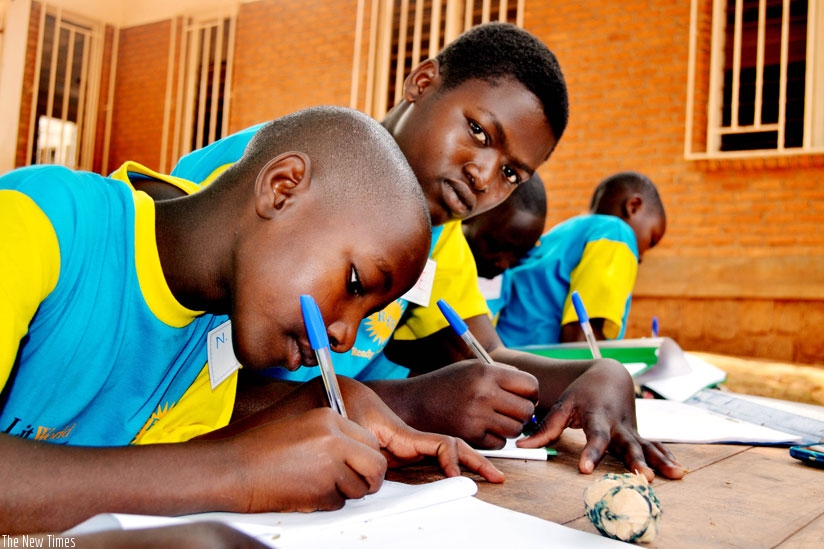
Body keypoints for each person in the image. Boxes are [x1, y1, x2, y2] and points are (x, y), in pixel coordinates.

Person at [167, 23, 684, 482]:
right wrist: (413, 401)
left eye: (511, 173)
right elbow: (170, 388)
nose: (483, 176)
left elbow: (487, 361)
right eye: (478, 131)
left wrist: (598, 375)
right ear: (422, 82)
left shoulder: (443, 239)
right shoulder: (278, 177)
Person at [0, 106, 504, 535]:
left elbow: (159, 473)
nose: (347, 337)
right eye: (354, 283)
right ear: (282, 189)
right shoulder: (38, 222)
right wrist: (237, 473)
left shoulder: (214, 331)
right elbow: (203, 474)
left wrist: (320, 403)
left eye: (366, 313)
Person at [493, 171, 666, 347]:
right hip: (540, 366)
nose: (642, 257)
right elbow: (583, 336)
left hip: (505, 353)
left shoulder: (560, 233)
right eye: (652, 240)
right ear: (634, 206)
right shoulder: (617, 233)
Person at [461, 173, 547, 320]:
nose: (503, 265)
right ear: (469, 214)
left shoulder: (504, 282)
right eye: (495, 246)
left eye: (520, 254)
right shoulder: (433, 257)